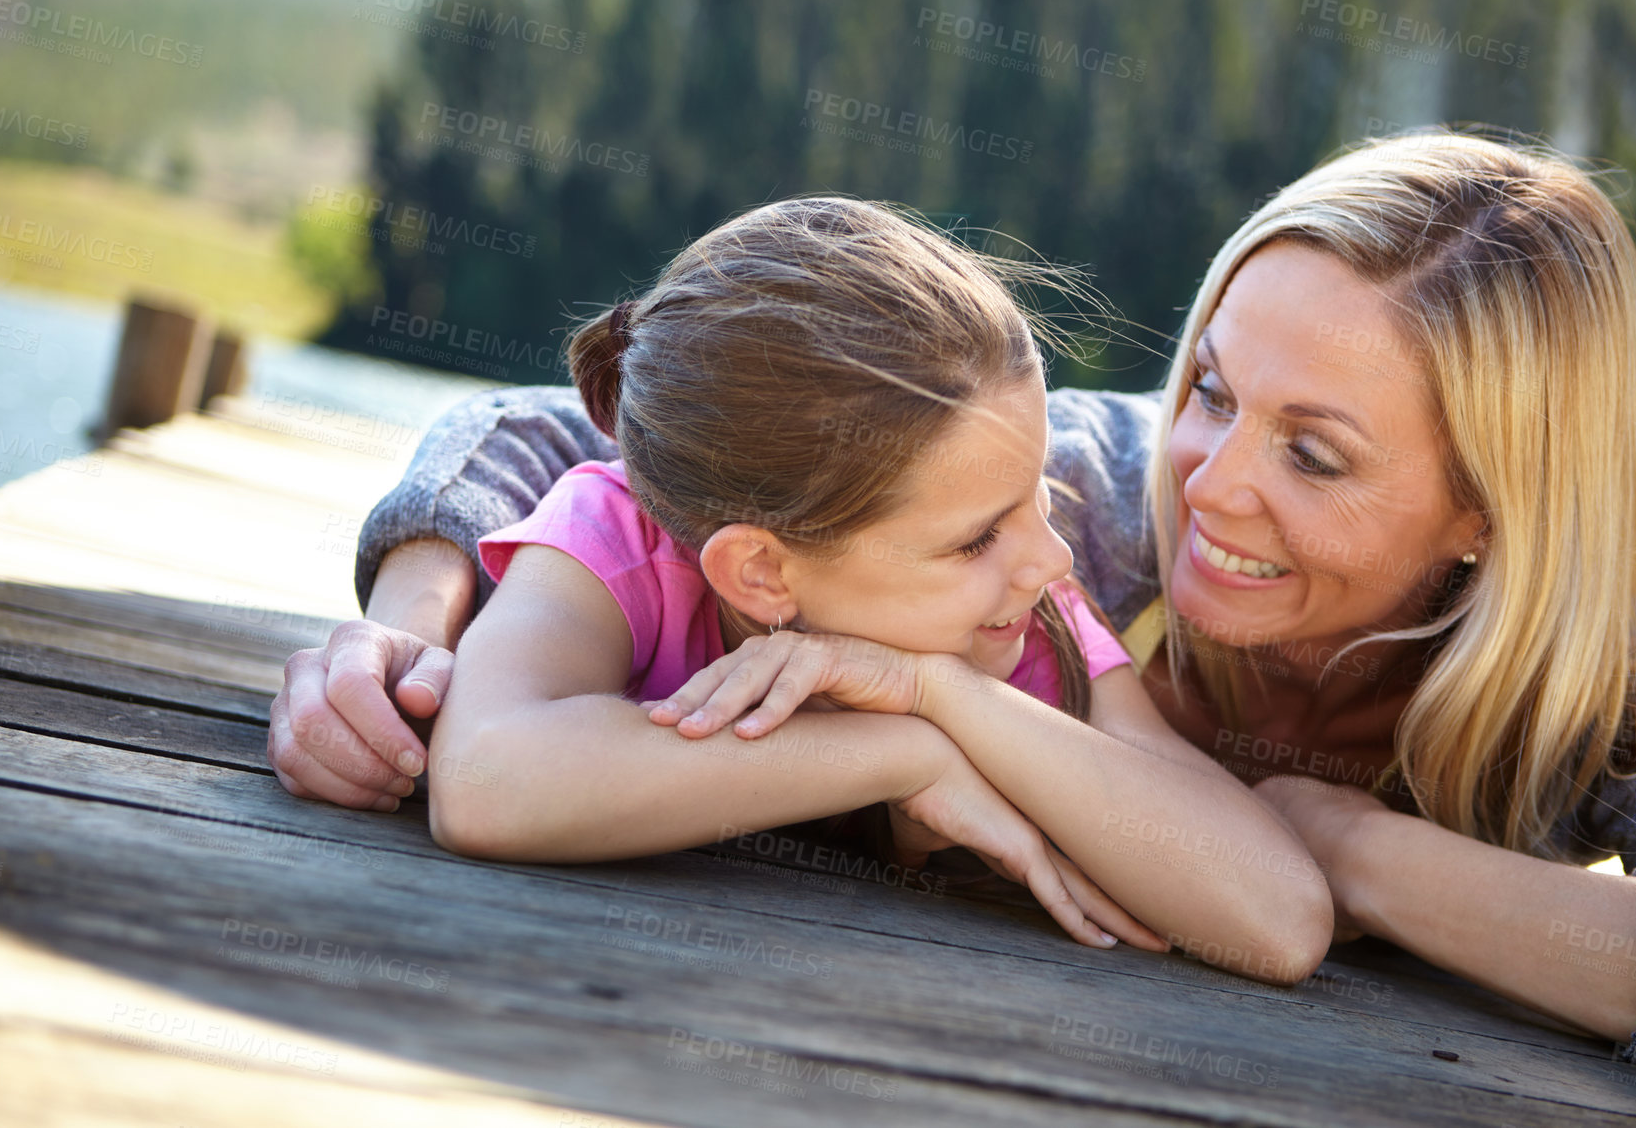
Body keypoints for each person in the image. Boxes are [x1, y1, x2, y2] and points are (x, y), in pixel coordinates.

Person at [267, 133, 1636, 1075]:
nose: (1207, 482)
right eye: (1208, 386)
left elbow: (1278, 913)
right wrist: (413, 625)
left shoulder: (1612, 688)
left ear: (1490, 508)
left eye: (1314, 453)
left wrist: (1347, 843)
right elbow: (599, 427)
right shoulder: (1058, 487)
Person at [421, 197, 1332, 979]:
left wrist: (938, 692)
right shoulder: (617, 541)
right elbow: (485, 781)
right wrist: (908, 754)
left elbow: (1280, 922)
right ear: (762, 571)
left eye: (1039, 496)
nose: (1053, 561)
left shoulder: (1012, 628)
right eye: (976, 536)